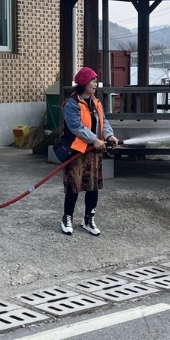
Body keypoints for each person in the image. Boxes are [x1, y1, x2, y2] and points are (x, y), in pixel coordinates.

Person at [59, 66, 118, 236]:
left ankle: (88, 219)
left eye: (96, 81)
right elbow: (76, 126)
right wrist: (94, 139)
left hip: (94, 152)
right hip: (77, 151)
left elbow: (103, 121)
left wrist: (109, 135)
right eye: (93, 81)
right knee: (74, 186)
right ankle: (67, 218)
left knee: (93, 186)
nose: (95, 84)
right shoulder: (72, 103)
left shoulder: (96, 102)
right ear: (84, 83)